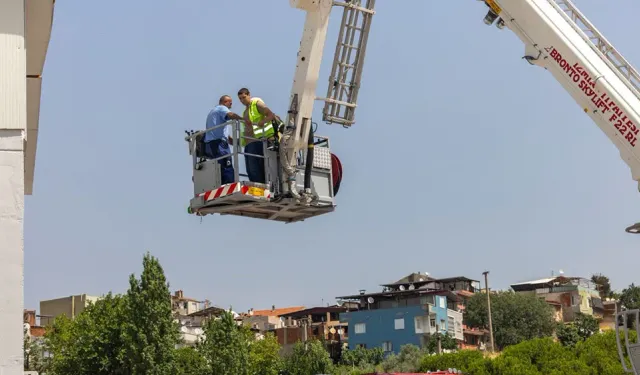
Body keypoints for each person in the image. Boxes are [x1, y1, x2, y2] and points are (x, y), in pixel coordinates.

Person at [237, 87, 280, 183]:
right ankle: (256, 185)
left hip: (258, 140)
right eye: (240, 99)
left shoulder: (256, 103)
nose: (242, 100)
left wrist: (262, 121)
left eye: (244, 97)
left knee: (255, 168)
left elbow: (270, 114)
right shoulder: (245, 112)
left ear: (249, 95)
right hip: (249, 143)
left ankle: (260, 185)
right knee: (250, 169)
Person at [204, 95, 243, 184]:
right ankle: (228, 184)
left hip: (212, 143)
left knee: (219, 165)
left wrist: (235, 141)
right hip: (219, 143)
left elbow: (223, 133)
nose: (231, 104)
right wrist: (243, 119)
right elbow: (231, 115)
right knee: (226, 164)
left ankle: (220, 183)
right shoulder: (222, 108)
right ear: (224, 102)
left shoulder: (214, 112)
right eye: (230, 102)